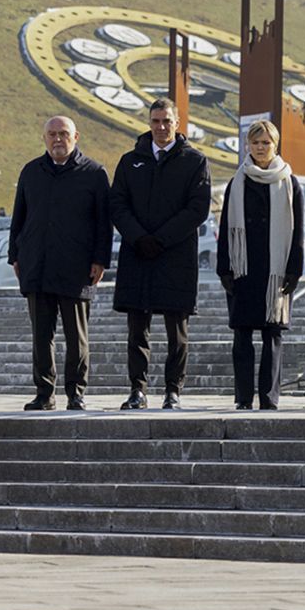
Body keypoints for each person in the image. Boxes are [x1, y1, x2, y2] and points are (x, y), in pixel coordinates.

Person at [108, 99, 212, 410]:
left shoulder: (195, 161)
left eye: (167, 121)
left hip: (175, 257)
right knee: (137, 329)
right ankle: (137, 390)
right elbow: (117, 204)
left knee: (177, 331)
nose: (161, 127)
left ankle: (173, 391)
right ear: (149, 122)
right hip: (137, 254)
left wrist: (162, 239)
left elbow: (198, 208)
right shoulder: (130, 161)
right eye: (156, 121)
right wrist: (139, 237)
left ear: (177, 123)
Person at [10, 116, 111, 411]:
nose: (57, 139)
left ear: (76, 136)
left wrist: (100, 259)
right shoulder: (31, 171)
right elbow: (19, 219)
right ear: (44, 138)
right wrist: (15, 255)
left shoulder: (94, 173)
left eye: (63, 134)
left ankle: (76, 392)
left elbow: (104, 225)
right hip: (37, 265)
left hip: (77, 268)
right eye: (52, 134)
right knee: (42, 335)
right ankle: (44, 393)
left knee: (76, 335)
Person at [215, 120, 305, 411]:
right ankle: (243, 397)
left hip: (275, 268)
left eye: (266, 142)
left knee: (273, 335)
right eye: (255, 142)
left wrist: (295, 269)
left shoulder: (290, 183)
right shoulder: (237, 182)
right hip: (244, 267)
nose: (261, 147)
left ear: (275, 145)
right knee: (241, 335)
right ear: (247, 145)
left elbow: (298, 231)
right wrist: (224, 268)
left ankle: (269, 397)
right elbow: (226, 226)